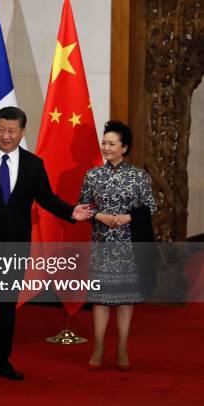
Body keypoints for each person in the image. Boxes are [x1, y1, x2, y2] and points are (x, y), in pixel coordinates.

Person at [0, 106, 93, 387]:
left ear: (21, 132)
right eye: (1, 129)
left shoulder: (33, 164)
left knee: (5, 307)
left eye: (11, 131)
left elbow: (47, 198)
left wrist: (71, 212)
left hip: (15, 246)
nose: (5, 135)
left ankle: (1, 363)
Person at [79, 120, 157, 371]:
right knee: (100, 300)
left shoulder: (139, 176)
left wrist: (128, 216)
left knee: (125, 300)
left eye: (112, 143)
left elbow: (150, 206)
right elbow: (82, 206)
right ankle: (99, 347)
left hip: (128, 245)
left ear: (124, 147)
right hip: (102, 245)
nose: (106, 147)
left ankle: (122, 346)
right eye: (104, 143)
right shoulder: (92, 175)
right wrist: (97, 215)